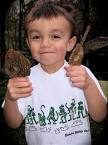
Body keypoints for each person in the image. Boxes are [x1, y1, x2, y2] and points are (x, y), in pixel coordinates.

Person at [2, 0, 107, 145]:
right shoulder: (24, 80)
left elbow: (100, 116)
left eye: (55, 36)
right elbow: (13, 123)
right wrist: (10, 99)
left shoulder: (82, 74)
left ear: (70, 43)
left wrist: (88, 85)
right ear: (28, 43)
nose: (45, 44)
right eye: (36, 37)